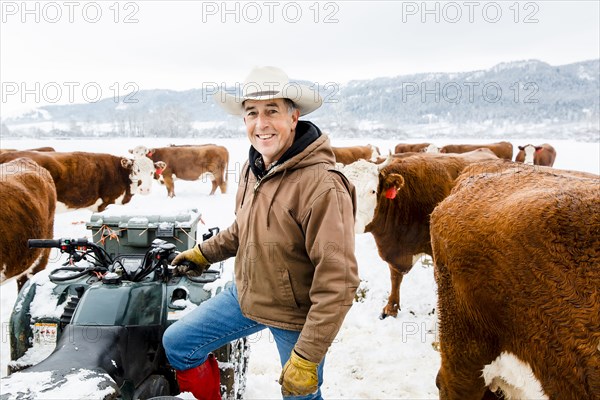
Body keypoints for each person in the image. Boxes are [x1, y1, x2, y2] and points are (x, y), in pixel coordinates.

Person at [163, 66, 360, 400]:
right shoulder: (254, 167)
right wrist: (203, 253)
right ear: (244, 121)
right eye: (252, 112)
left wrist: (307, 356)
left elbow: (338, 279)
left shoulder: (323, 185)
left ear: (294, 117)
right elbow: (246, 226)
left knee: (300, 392)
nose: (261, 123)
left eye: (272, 111)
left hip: (296, 315)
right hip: (247, 294)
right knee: (178, 343)